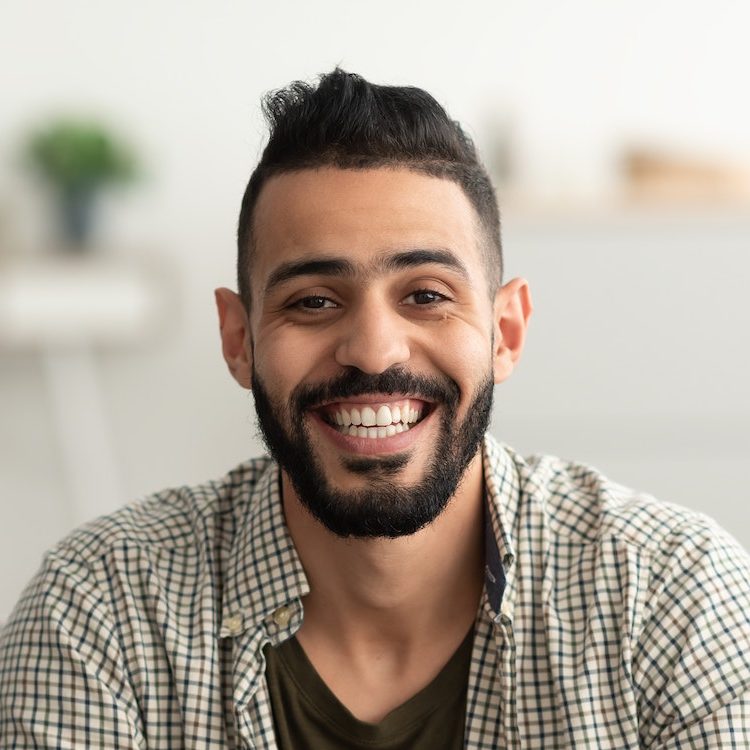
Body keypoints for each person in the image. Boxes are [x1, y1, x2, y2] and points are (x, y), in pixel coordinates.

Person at [1, 69, 749, 749]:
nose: (373, 350)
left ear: (506, 332)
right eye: (314, 301)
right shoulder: (100, 610)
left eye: (425, 295)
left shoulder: (675, 598)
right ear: (238, 340)